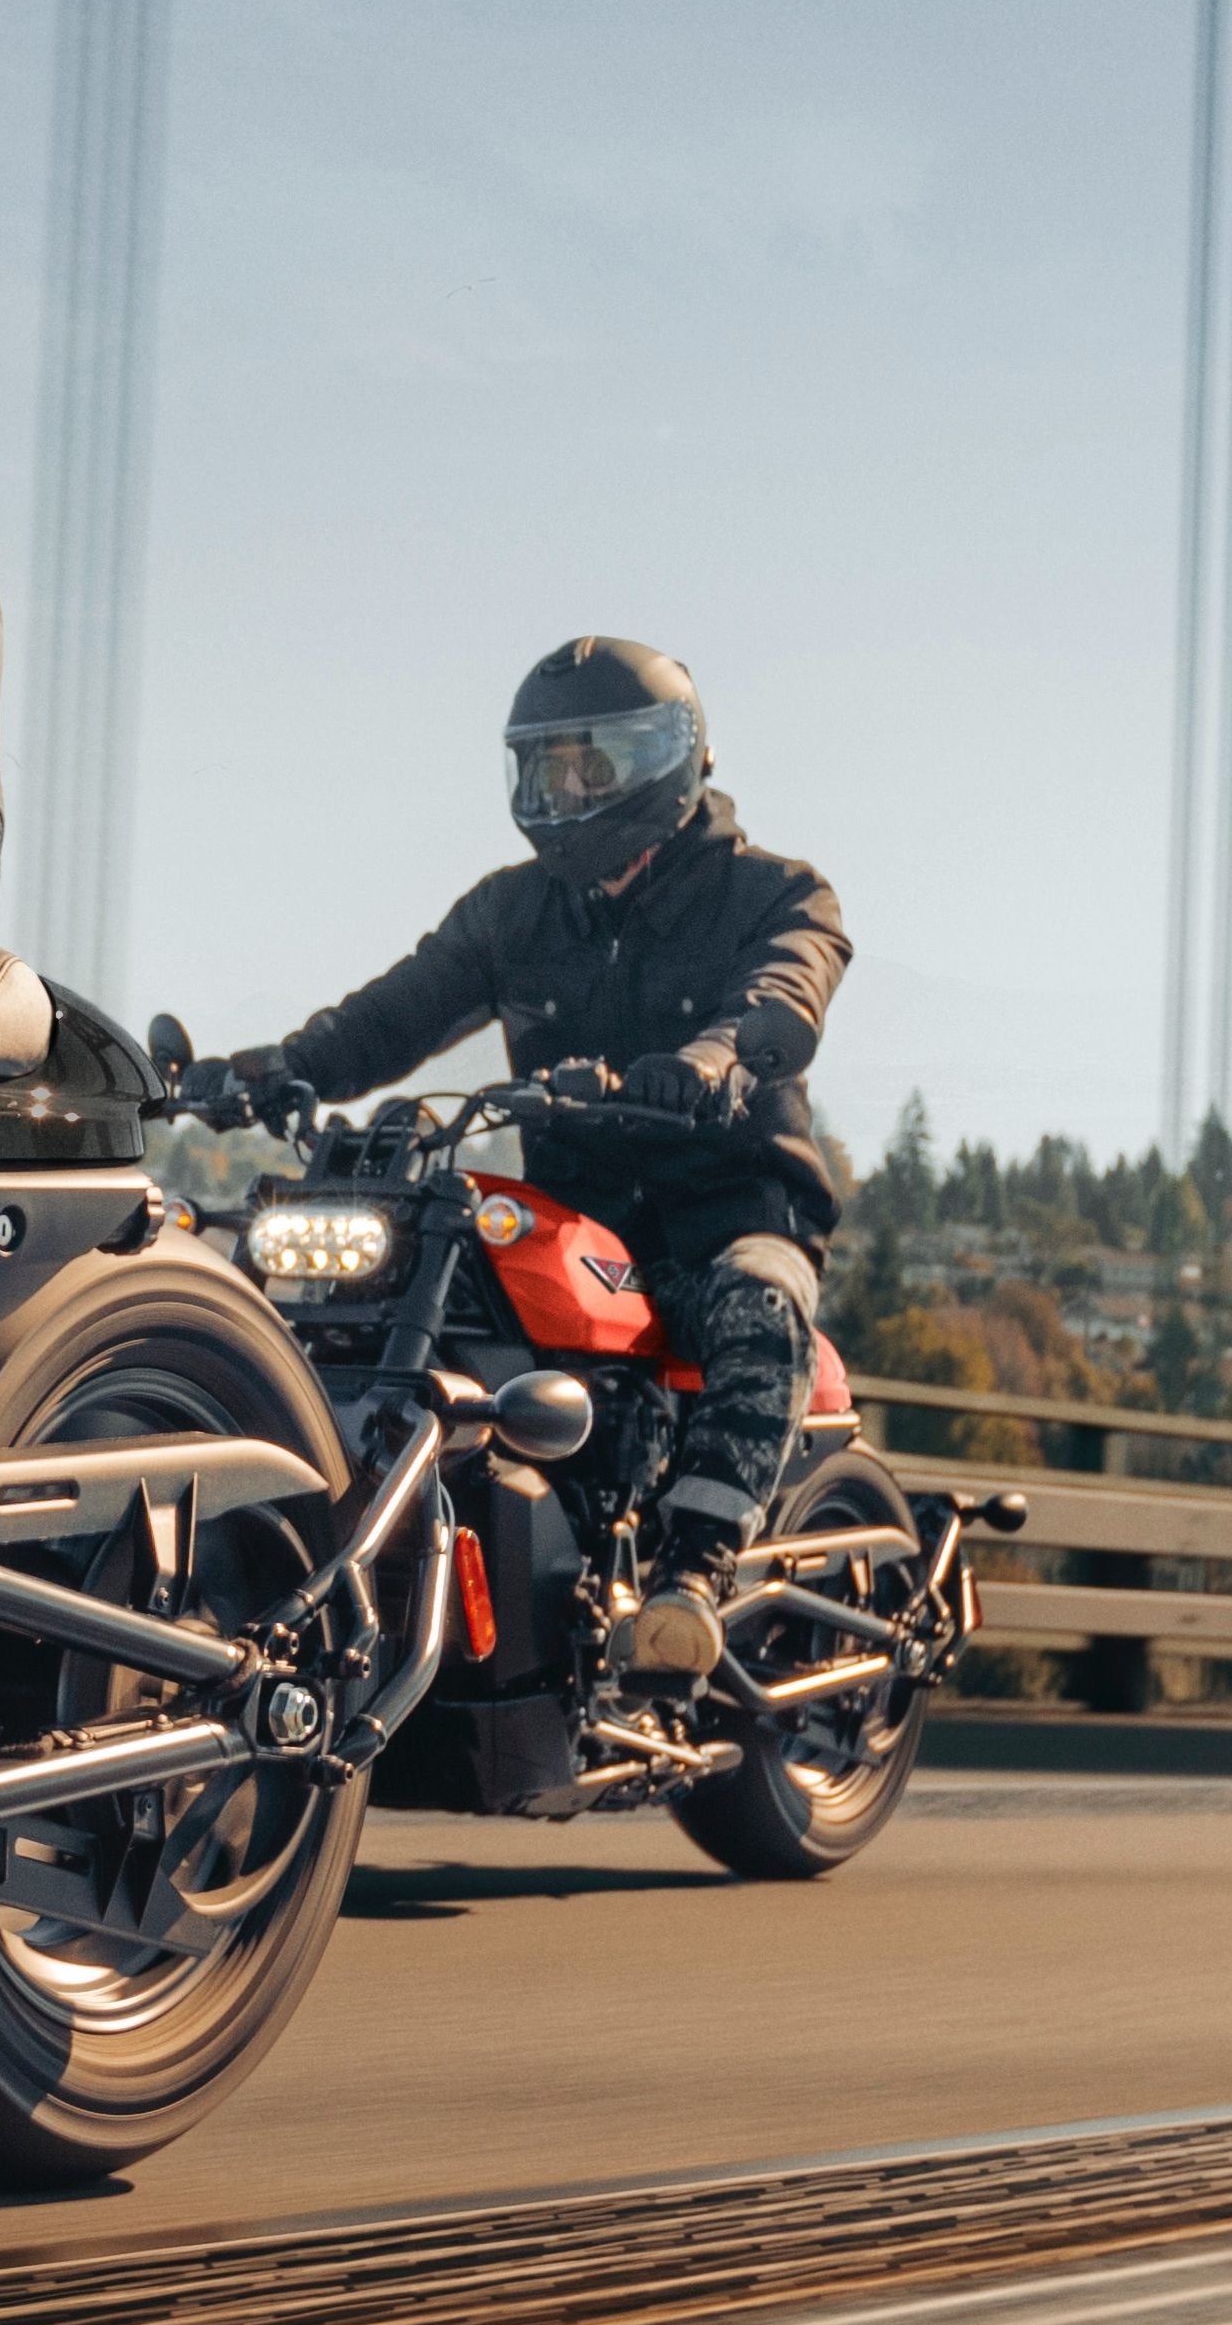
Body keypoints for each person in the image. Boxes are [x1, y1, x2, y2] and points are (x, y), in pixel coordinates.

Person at [212, 638, 853, 1676]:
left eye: (589, 765)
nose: (564, 790)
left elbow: (784, 990)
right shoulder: (511, 913)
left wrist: (712, 1057)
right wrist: (271, 1069)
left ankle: (693, 1574)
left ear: (670, 760)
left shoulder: (775, 895)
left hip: (725, 1212)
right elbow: (388, 1018)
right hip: (575, 1217)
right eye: (545, 766)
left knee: (755, 1307)